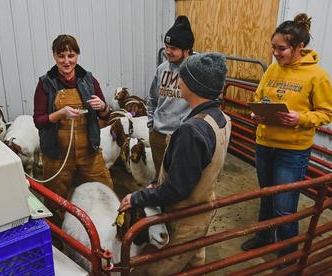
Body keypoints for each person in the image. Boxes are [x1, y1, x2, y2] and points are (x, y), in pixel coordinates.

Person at [119, 53, 231, 274]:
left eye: (182, 75)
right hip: (204, 207)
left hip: (183, 219)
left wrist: (137, 197)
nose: (177, 78)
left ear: (191, 84)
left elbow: (178, 188)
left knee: (157, 271)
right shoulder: (220, 119)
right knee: (194, 264)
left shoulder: (191, 130)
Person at [241, 13, 332, 261]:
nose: (275, 53)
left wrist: (300, 118)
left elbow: (326, 113)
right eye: (273, 48)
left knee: (284, 208)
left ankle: (288, 256)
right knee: (266, 196)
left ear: (299, 47)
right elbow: (259, 98)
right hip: (265, 143)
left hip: (291, 151)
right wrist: (256, 112)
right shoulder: (272, 69)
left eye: (281, 48)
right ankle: (264, 238)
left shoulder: (317, 76)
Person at [33, 34, 113, 226]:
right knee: (54, 201)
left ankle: (108, 233)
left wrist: (102, 106)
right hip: (57, 155)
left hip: (89, 151)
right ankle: (60, 242)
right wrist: (60, 113)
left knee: (106, 192)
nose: (66, 61)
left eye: (71, 55)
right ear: (54, 56)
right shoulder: (46, 83)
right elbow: (38, 120)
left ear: (77, 55)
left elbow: (106, 115)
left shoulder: (89, 80)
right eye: (61, 56)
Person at [147, 15, 194, 178]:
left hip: (183, 138)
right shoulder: (161, 69)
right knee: (160, 177)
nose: (167, 51)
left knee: (181, 180)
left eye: (173, 48)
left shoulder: (196, 71)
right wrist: (151, 125)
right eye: (166, 46)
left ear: (187, 49)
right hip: (159, 135)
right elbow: (152, 99)